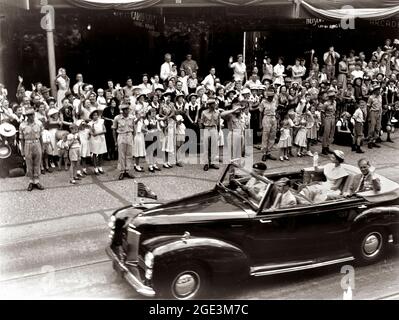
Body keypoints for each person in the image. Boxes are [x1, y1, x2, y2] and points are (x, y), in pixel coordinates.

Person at [19, 108, 44, 191]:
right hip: (27, 144)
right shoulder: (22, 125)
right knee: (29, 163)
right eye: (28, 115)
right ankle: (31, 181)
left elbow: (41, 137)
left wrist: (42, 147)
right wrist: (22, 150)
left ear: (34, 115)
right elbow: (22, 139)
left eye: (32, 114)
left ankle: (36, 181)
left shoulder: (39, 123)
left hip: (37, 143)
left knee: (37, 162)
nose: (31, 117)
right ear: (26, 116)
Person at [112, 104, 135, 180]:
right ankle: (122, 171)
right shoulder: (117, 118)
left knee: (129, 154)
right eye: (126, 110)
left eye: (128, 109)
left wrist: (133, 138)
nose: (127, 111)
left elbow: (134, 128)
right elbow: (114, 130)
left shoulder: (131, 118)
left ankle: (127, 170)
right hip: (121, 136)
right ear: (123, 110)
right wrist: (115, 141)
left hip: (129, 135)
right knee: (121, 155)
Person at [200, 98, 220, 171]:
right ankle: (206, 163)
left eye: (215, 103)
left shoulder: (217, 112)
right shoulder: (204, 112)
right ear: (209, 105)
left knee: (214, 146)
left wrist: (218, 132)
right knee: (206, 147)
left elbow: (218, 123)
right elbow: (201, 123)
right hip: (206, 128)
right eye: (213, 104)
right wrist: (202, 133)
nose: (215, 105)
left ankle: (213, 162)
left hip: (214, 128)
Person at [260, 88, 278, 161]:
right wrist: (261, 123)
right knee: (265, 135)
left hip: (273, 118)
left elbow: (276, 110)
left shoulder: (275, 101)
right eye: (269, 96)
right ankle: (264, 153)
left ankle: (269, 152)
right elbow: (261, 112)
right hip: (266, 118)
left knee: (272, 135)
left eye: (272, 96)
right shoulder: (263, 102)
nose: (271, 97)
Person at [89, 109, 107, 175]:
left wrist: (98, 133)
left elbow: (105, 130)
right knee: (94, 153)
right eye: (94, 115)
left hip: (101, 138)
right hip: (94, 139)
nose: (95, 116)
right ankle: (95, 168)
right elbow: (91, 132)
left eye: (96, 115)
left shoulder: (101, 121)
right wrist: (93, 132)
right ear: (92, 116)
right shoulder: (90, 123)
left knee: (101, 153)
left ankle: (100, 166)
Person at [321, 89, 337, 155]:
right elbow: (322, 113)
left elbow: (335, 111)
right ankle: (324, 148)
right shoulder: (326, 104)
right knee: (326, 133)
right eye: (332, 96)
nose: (334, 97)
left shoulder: (335, 102)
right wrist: (323, 122)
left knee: (331, 133)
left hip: (333, 118)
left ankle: (328, 146)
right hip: (327, 118)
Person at [367, 84, 383, 149]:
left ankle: (374, 141)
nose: (379, 91)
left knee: (378, 128)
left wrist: (381, 112)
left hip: (379, 113)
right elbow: (368, 106)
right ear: (374, 91)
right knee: (372, 128)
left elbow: (380, 105)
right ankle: (370, 142)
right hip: (373, 112)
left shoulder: (380, 96)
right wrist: (369, 116)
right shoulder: (371, 97)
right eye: (377, 90)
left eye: (379, 90)